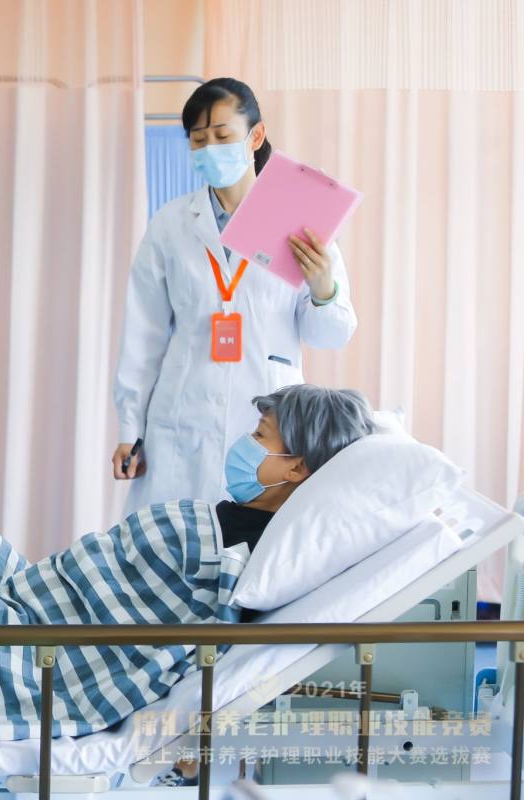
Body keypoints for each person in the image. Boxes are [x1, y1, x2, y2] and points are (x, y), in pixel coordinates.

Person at [112, 77, 358, 513]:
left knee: (256, 542)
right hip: (182, 417)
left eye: (223, 136)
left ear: (255, 135)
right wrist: (131, 428)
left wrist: (324, 289)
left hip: (269, 420)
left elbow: (330, 335)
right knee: (171, 538)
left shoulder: (301, 219)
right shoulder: (171, 224)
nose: (210, 148)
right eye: (198, 139)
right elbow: (143, 335)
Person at [150, 383, 378, 788]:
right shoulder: (239, 519)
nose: (245, 443)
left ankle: (187, 764)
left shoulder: (264, 547)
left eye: (259, 435)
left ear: (296, 469)